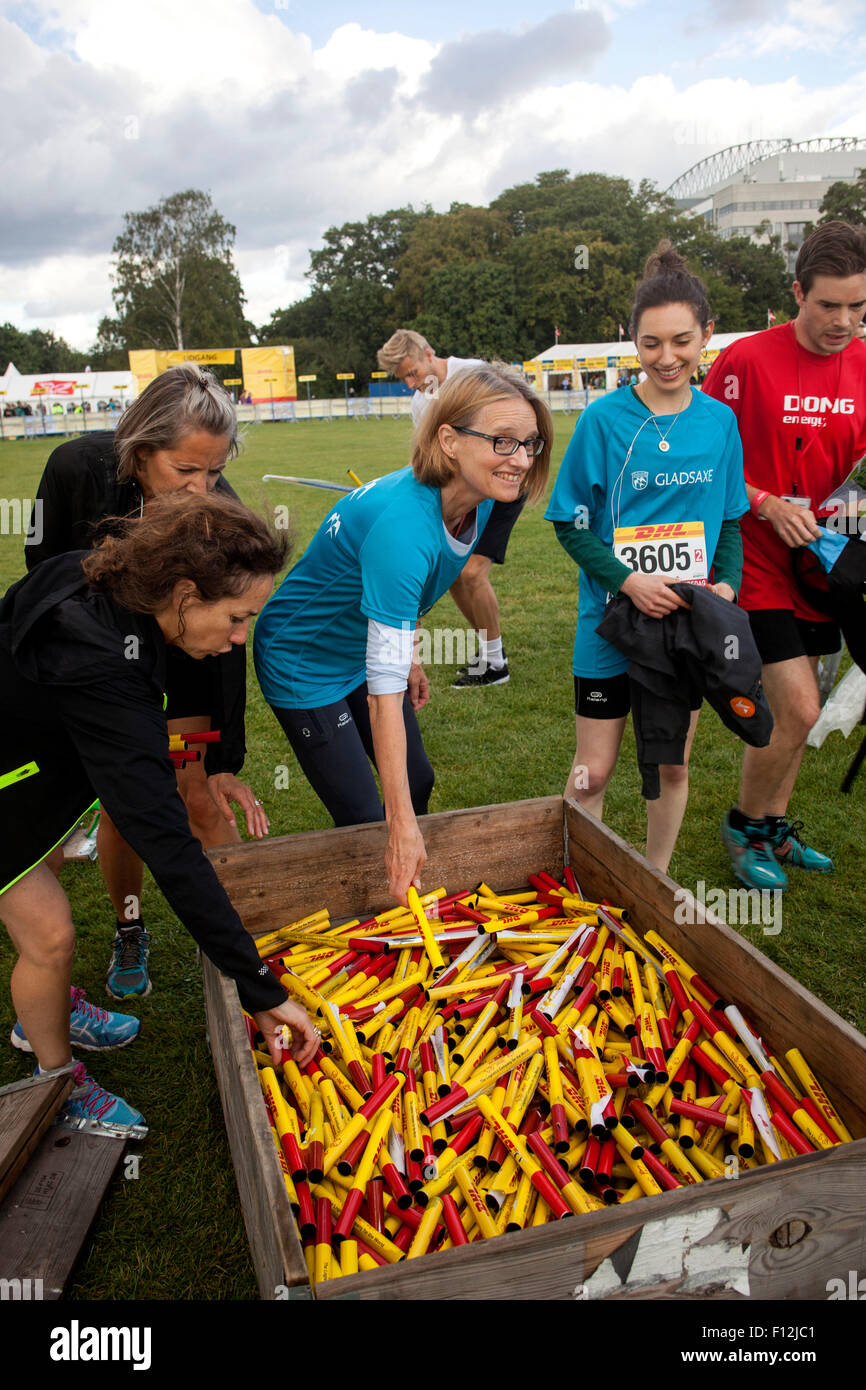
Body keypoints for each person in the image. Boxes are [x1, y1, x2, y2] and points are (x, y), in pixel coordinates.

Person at [0, 493, 318, 1130]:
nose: (238, 640)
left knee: (46, 931)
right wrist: (257, 982)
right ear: (183, 593)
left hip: (23, 767)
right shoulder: (102, 666)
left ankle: (49, 1014)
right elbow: (168, 844)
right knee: (51, 933)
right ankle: (55, 1085)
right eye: (234, 618)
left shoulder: (98, 573)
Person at [255, 364, 552, 903]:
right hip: (302, 660)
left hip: (356, 645)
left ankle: (402, 877)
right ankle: (376, 921)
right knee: (370, 817)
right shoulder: (404, 527)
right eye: (503, 441)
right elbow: (383, 695)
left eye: (529, 443)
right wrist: (400, 828)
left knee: (416, 783)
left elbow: (405, 596)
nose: (522, 460)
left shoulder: (481, 499)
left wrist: (408, 655)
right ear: (449, 440)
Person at [26, 363, 262, 1000]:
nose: (200, 489)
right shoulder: (75, 468)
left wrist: (224, 757)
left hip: (181, 665)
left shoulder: (222, 514)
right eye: (185, 471)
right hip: (88, 667)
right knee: (102, 808)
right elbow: (41, 576)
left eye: (213, 472)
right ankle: (128, 928)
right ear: (138, 447)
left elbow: (232, 644)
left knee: (190, 795)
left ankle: (249, 944)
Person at [545, 242, 747, 874]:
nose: (667, 357)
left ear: (706, 335)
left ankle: (655, 880)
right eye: (651, 343)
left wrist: (728, 585)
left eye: (682, 341)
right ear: (632, 341)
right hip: (611, 620)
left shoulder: (719, 422)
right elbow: (571, 525)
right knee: (593, 770)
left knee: (671, 762)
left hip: (686, 625)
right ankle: (578, 883)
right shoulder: (604, 421)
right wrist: (628, 581)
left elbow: (732, 521)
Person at [702, 220, 866, 890]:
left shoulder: (864, 362)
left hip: (826, 566)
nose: (844, 321)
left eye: (858, 306)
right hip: (756, 560)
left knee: (814, 704)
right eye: (829, 305)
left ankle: (774, 825)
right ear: (797, 292)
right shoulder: (744, 361)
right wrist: (766, 502)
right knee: (796, 708)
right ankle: (744, 826)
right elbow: (703, 458)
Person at [377, 330, 523, 688]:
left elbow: (515, 425)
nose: (411, 383)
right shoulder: (420, 404)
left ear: (429, 353)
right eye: (403, 379)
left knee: (472, 572)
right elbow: (431, 461)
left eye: (412, 372)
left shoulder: (476, 374)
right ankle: (492, 653)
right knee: (455, 571)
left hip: (503, 481)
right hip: (466, 492)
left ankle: (495, 663)